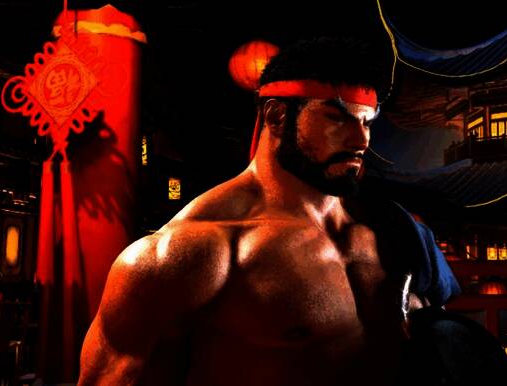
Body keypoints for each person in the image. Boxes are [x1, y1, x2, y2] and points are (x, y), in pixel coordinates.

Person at [79, 37, 466, 386]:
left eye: (366, 121)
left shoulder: (394, 231)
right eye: (337, 118)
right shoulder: (192, 253)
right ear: (277, 116)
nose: (360, 138)